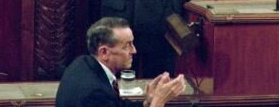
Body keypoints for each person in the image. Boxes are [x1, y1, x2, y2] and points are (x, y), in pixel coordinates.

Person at [55, 17, 186, 107]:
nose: (134, 50)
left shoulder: (83, 63)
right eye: (127, 46)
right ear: (104, 52)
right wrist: (159, 101)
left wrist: (148, 102)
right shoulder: (94, 94)